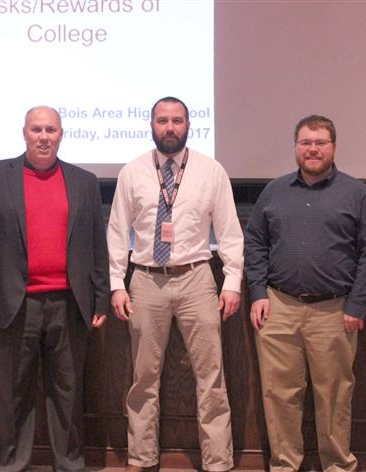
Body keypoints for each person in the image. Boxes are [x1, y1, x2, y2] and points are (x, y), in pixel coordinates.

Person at [0, 106, 110, 470]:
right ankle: (11, 467)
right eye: (37, 129)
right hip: (12, 304)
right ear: (24, 133)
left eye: (51, 130)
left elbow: (96, 246)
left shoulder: (84, 181)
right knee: (11, 399)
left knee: (68, 398)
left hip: (69, 304)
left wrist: (101, 296)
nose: (44, 136)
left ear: (61, 134)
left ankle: (69, 465)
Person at [107, 96, 243, 472]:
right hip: (146, 281)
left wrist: (231, 281)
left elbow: (230, 232)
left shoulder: (211, 171)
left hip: (198, 278)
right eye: (163, 120)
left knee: (211, 376)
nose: (170, 127)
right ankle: (141, 458)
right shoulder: (132, 172)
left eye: (177, 121)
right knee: (143, 378)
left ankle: (218, 462)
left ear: (188, 125)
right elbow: (118, 232)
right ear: (151, 125)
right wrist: (117, 282)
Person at [244, 114, 366, 472]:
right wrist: (258, 291)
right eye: (305, 142)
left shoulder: (357, 194)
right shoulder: (274, 191)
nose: (312, 149)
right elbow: (256, 242)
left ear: (334, 147)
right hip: (279, 307)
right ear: (296, 147)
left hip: (335, 312)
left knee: (334, 397)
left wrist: (357, 304)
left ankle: (338, 466)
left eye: (320, 142)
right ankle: (284, 465)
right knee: (279, 395)